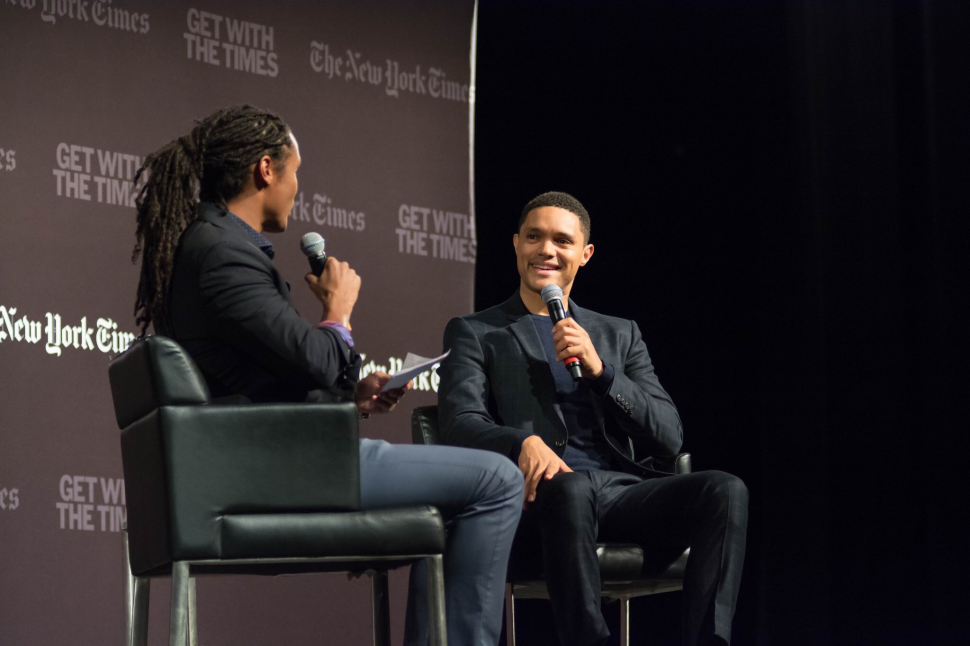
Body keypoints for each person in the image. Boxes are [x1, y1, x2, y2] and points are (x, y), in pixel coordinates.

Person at [130, 105, 523, 646]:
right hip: (281, 467)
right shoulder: (224, 254)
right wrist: (338, 313)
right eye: (295, 173)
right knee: (498, 480)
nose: (297, 189)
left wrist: (355, 399)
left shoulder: (213, 246)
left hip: (269, 454)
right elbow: (314, 357)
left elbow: (266, 373)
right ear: (265, 170)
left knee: (462, 493)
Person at [438, 191, 748, 646]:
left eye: (562, 241)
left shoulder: (618, 333)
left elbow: (668, 435)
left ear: (585, 255)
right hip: (541, 501)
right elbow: (460, 421)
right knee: (570, 486)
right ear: (516, 245)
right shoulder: (476, 330)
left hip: (620, 493)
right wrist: (520, 443)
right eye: (534, 237)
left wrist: (603, 373)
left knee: (725, 489)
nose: (547, 250)